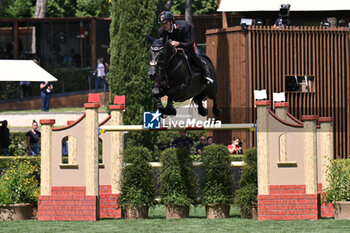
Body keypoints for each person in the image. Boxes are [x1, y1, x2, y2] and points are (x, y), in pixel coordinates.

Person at [157, 11, 211, 85]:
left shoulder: (183, 27)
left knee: (196, 55)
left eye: (166, 23)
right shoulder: (161, 32)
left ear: (171, 21)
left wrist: (178, 43)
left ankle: (206, 74)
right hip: (173, 49)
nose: (164, 26)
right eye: (162, 24)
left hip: (187, 43)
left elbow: (189, 43)